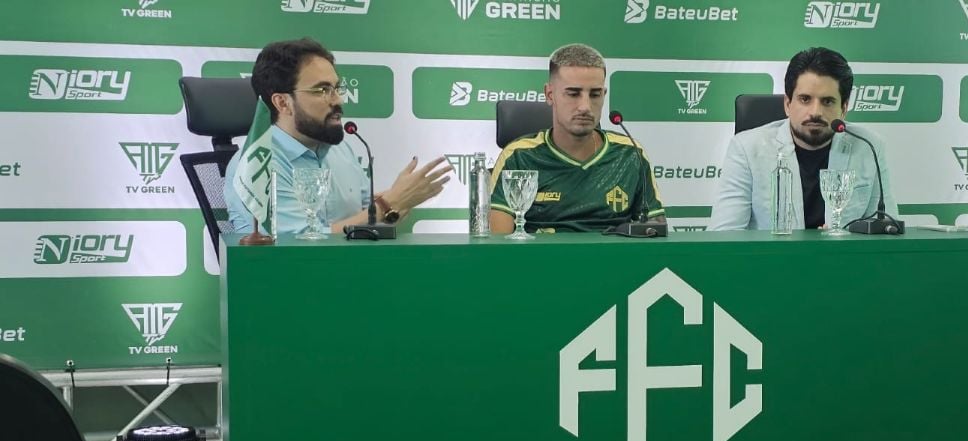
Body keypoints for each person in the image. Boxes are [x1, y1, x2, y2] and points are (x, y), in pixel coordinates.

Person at [225, 38, 451, 234]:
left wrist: (400, 201)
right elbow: (300, 244)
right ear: (283, 103)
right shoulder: (258, 165)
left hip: (352, 267)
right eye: (322, 90)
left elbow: (368, 218)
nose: (338, 100)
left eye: (337, 88)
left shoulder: (340, 150)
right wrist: (387, 204)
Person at [709, 47, 897, 231]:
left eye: (827, 101)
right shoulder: (747, 148)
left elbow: (887, 229)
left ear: (844, 108)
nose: (815, 112)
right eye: (805, 99)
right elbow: (724, 235)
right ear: (787, 104)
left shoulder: (868, 146)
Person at [489, 43, 666, 234]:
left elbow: (654, 232)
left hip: (613, 253)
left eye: (595, 94)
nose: (585, 107)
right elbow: (500, 244)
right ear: (550, 95)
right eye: (573, 94)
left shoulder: (630, 154)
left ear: (604, 95)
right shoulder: (518, 156)